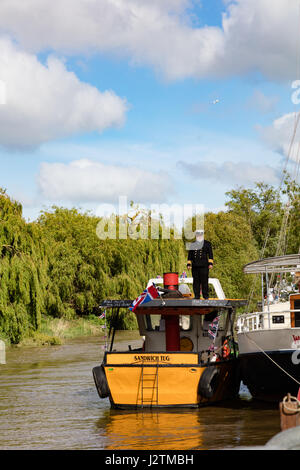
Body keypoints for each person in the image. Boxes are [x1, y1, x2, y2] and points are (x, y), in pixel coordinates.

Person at [186, 230, 213, 299]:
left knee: (204, 282)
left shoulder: (207, 244)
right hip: (195, 266)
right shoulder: (193, 244)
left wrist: (210, 263)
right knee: (196, 282)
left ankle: (205, 296)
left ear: (202, 235)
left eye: (200, 235)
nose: (199, 236)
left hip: (204, 266)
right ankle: (197, 296)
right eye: (198, 235)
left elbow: (210, 254)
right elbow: (190, 255)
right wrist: (189, 264)